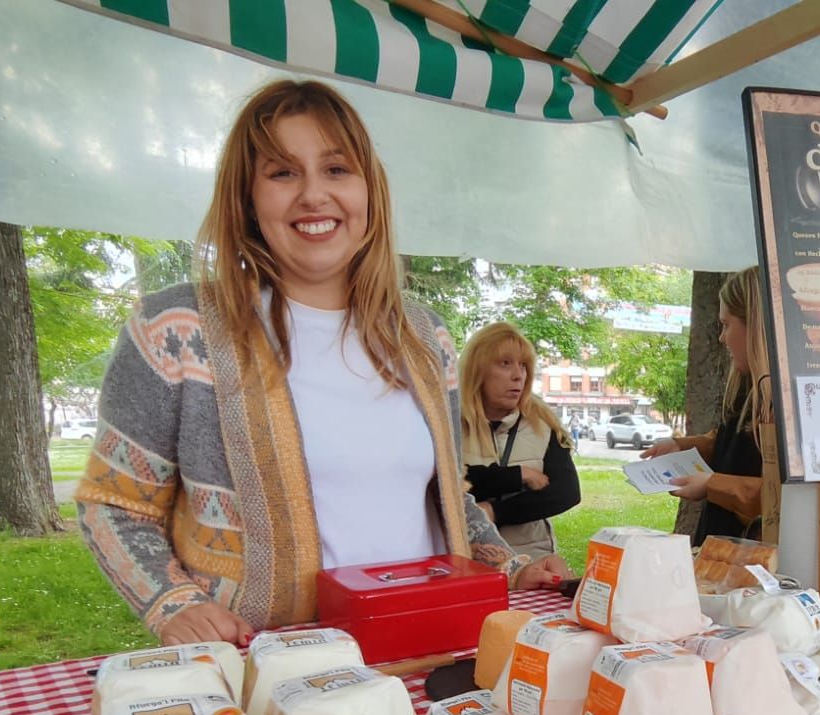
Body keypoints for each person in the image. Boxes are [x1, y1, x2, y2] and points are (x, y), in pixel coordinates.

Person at [76, 80, 560, 647]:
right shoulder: (180, 329)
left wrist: (508, 565)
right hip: (274, 664)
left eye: (336, 169)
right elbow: (114, 504)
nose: (313, 195)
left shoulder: (426, 339)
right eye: (282, 173)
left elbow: (444, 497)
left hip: (429, 647)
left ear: (369, 192)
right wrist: (172, 603)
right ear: (248, 199)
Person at [641, 267, 779, 543]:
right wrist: (682, 446)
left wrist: (712, 485)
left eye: (727, 325)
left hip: (754, 557)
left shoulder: (783, 401)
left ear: (755, 325)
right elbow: (733, 445)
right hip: (719, 542)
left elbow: (779, 497)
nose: (722, 338)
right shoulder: (747, 388)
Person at [459, 321, 579, 562]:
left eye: (524, 366)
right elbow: (449, 485)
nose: (518, 376)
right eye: (505, 364)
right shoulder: (449, 424)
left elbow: (566, 492)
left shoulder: (543, 424)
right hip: (468, 563)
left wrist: (494, 511)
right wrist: (517, 476)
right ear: (477, 369)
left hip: (532, 561)